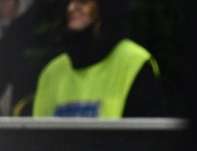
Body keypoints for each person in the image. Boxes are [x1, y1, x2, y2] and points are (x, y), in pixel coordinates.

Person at [32, 0, 163, 117]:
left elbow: (144, 133)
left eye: (83, 1)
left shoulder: (133, 62)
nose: (71, 8)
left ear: (105, 6)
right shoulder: (52, 72)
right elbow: (38, 134)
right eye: (68, 1)